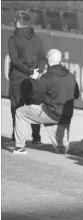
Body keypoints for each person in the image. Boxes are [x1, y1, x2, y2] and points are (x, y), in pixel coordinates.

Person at [13, 49, 83, 157]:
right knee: (62, 148)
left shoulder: (47, 77)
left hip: (50, 113)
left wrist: (35, 81)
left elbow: (37, 99)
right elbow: (76, 95)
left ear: (49, 60)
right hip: (65, 116)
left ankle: (19, 147)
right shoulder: (70, 75)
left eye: (47, 59)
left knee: (20, 112)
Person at [7, 10, 45, 146]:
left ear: (17, 22)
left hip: (18, 79)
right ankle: (36, 138)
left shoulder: (13, 39)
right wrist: (37, 72)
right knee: (34, 107)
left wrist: (28, 71)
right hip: (33, 79)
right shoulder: (37, 40)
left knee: (17, 109)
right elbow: (42, 58)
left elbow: (15, 60)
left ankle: (16, 138)